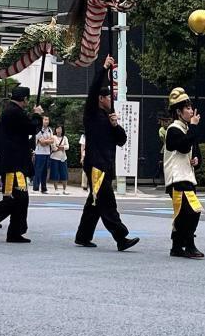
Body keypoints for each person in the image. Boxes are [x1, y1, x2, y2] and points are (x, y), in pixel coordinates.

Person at [75, 57, 139, 251]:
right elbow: (93, 89)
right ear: (101, 99)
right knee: (107, 202)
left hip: (105, 164)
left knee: (94, 203)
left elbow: (122, 140)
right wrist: (103, 69)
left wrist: (115, 125)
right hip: (95, 164)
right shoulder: (92, 114)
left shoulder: (108, 117)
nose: (111, 99)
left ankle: (83, 236)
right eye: (109, 97)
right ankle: (121, 237)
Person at [0, 87, 41, 242]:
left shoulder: (10, 111)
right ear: (25, 99)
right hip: (14, 164)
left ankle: (15, 232)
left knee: (19, 199)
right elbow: (32, 128)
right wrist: (37, 115)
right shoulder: (15, 112)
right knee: (16, 198)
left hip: (14, 163)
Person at [162, 88, 204, 259]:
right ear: (178, 112)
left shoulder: (187, 129)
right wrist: (193, 127)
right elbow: (184, 146)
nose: (190, 111)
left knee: (183, 213)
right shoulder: (173, 129)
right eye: (186, 108)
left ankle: (177, 246)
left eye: (190, 107)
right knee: (192, 211)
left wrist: (197, 160)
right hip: (177, 178)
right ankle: (189, 245)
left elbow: (195, 151)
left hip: (187, 177)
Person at [32, 115, 56, 193]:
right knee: (38, 170)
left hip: (47, 153)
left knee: (45, 171)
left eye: (48, 119)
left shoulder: (49, 130)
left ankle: (44, 188)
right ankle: (35, 188)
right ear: (42, 120)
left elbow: (52, 140)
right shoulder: (38, 129)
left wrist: (46, 141)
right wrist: (47, 141)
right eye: (45, 119)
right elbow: (41, 142)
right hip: (39, 153)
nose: (47, 121)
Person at [49, 125, 70, 194]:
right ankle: (56, 189)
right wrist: (61, 147)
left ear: (62, 130)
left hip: (63, 158)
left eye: (60, 128)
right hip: (54, 158)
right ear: (55, 130)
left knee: (64, 174)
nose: (58, 130)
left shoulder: (65, 137)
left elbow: (67, 146)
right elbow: (53, 147)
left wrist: (61, 147)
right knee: (55, 173)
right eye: (57, 128)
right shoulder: (53, 137)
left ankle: (65, 189)